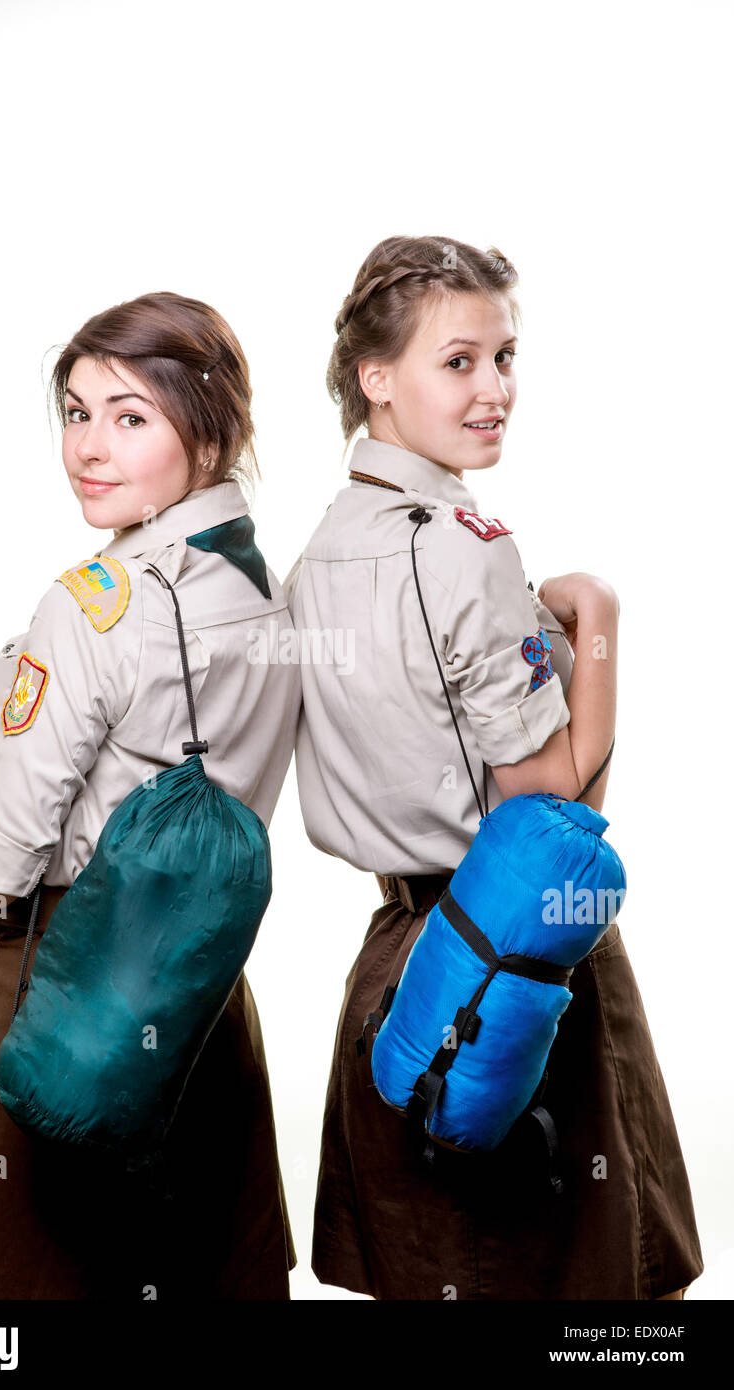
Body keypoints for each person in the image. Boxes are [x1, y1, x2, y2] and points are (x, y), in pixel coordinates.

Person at [283, 235, 703, 1301]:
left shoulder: (320, 550)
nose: (496, 389)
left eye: (505, 357)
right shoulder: (467, 544)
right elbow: (551, 809)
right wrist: (597, 622)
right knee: (575, 1301)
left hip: (397, 966)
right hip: (508, 957)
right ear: (376, 378)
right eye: (459, 360)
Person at [0, 290, 301, 1301]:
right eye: (75, 411)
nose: (88, 447)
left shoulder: (93, 606)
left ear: (214, 428)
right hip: (196, 997)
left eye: (130, 415)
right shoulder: (263, 593)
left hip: (56, 984)